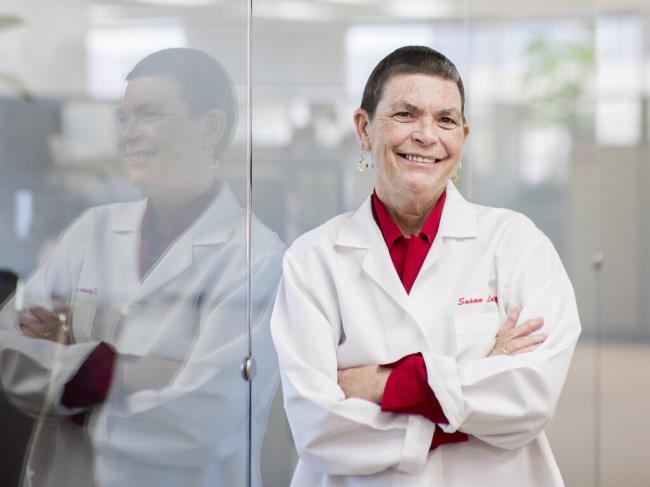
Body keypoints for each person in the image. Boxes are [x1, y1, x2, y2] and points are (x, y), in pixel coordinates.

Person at [271, 46, 580, 486]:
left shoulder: (517, 242)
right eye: (405, 114)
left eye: (446, 120)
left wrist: (384, 385)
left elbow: (530, 397)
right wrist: (474, 392)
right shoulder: (313, 258)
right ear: (364, 128)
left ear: (463, 137)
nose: (426, 135)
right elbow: (318, 429)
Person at [0, 48, 284, 487]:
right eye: (123, 118)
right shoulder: (92, 230)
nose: (129, 133)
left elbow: (203, 420)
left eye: (148, 115)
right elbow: (9, 348)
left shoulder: (257, 257)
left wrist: (70, 383)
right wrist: (122, 372)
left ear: (209, 128)